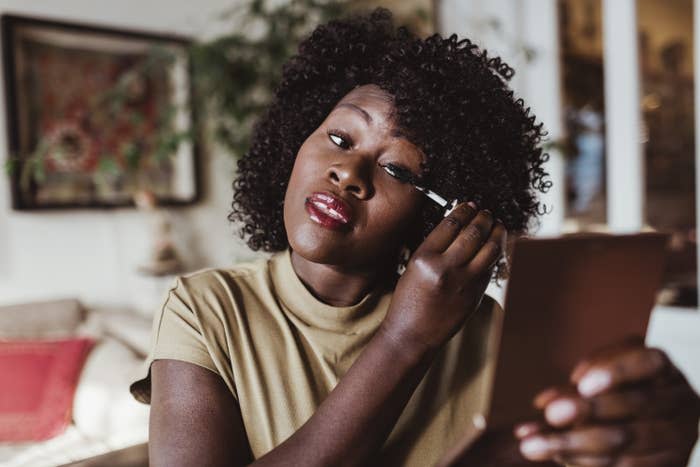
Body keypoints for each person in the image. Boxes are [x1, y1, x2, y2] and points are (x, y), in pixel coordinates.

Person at [130, 9, 700, 466]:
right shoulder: (205, 311)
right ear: (292, 142)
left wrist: (654, 443)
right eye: (338, 136)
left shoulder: (488, 336)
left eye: (397, 170)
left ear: (442, 215)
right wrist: (405, 340)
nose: (348, 174)